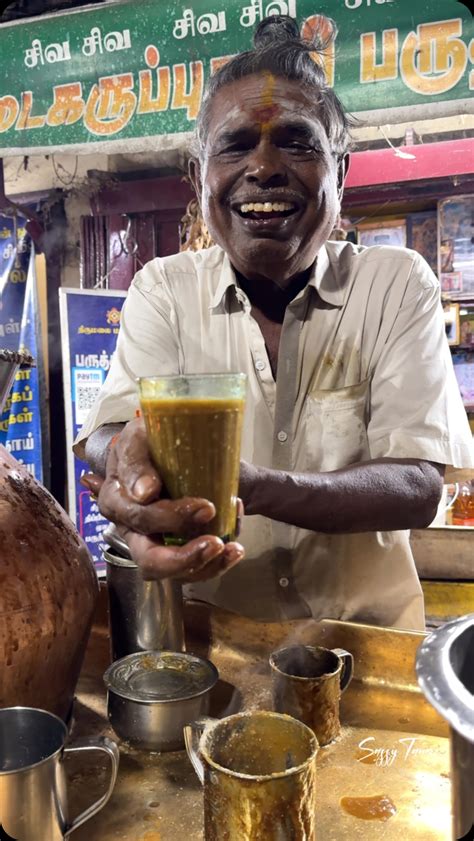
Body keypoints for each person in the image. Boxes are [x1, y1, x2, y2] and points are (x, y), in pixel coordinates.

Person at [76, 16, 473, 631]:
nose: (263, 167)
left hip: (367, 654)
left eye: (296, 141)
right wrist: (127, 469)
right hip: (216, 652)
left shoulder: (397, 283)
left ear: (340, 172)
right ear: (198, 176)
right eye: (235, 145)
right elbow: (111, 433)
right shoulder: (164, 288)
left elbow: (419, 485)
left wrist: (251, 487)